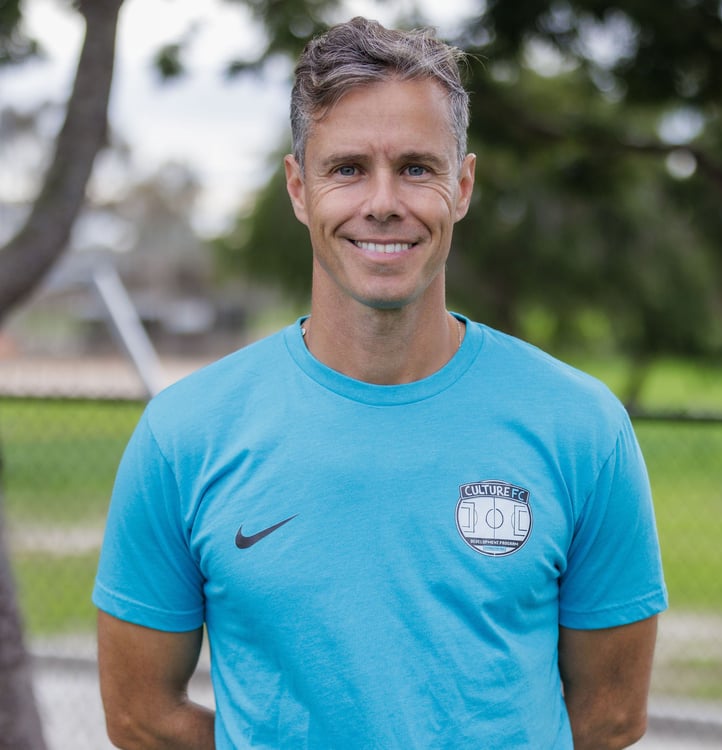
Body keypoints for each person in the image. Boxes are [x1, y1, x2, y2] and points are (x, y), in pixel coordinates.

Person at [93, 16, 667, 750]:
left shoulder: (582, 427)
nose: (384, 202)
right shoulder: (185, 435)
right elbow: (139, 716)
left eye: (417, 168)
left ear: (462, 186)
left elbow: (611, 715)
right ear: (299, 188)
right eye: (348, 169)